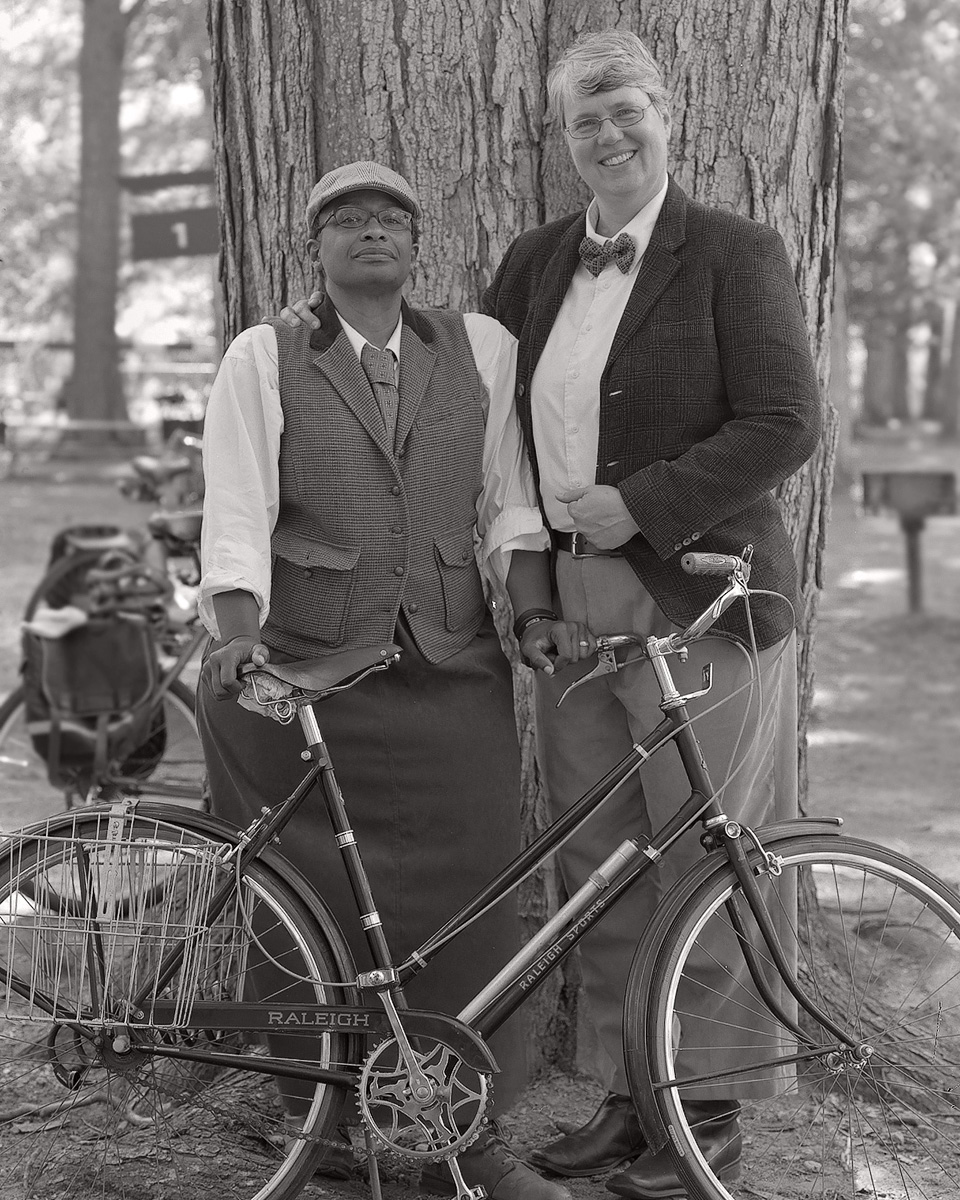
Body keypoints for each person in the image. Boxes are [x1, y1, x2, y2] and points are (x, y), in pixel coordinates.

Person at [282, 28, 822, 1195]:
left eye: (626, 110)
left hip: (699, 592)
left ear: (666, 114)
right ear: (562, 138)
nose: (609, 135)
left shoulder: (735, 252)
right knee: (601, 859)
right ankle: (631, 1096)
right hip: (570, 603)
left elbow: (786, 422)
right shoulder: (532, 265)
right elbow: (491, 436)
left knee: (708, 851)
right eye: (586, 120)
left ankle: (705, 1114)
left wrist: (645, 502)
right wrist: (526, 589)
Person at [197, 160, 590, 1200]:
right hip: (311, 669)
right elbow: (236, 505)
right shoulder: (265, 355)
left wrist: (533, 610)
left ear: (419, 245)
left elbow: (509, 501)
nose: (371, 231)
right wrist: (237, 633)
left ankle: (463, 1130)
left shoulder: (480, 348)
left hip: (452, 662)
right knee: (314, 897)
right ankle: (322, 1118)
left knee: (476, 897)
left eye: (391, 218)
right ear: (315, 246)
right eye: (347, 218)